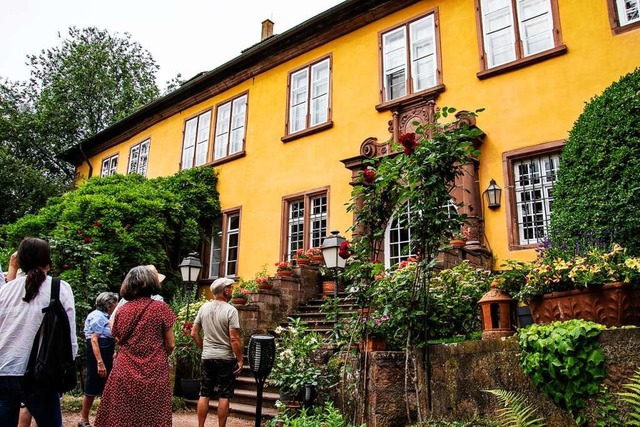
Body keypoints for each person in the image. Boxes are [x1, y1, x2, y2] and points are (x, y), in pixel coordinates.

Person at [0, 237, 78, 427]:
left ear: (20, 262)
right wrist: (69, 363)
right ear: (48, 262)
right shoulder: (59, 287)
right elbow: (69, 334)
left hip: (5, 370)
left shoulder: (5, 290)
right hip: (41, 373)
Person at [94, 266, 176, 427]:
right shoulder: (161, 308)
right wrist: (157, 354)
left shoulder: (122, 310)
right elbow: (171, 343)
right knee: (153, 415)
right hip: (154, 370)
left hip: (124, 369)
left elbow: (116, 336)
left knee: (123, 414)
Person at [190, 277, 244, 427]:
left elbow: (194, 333)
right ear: (225, 291)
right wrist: (240, 359)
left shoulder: (203, 308)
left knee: (204, 393)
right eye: (230, 288)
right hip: (225, 358)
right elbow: (234, 338)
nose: (232, 291)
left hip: (207, 356)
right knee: (224, 394)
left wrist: (203, 348)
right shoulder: (230, 310)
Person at [78, 291, 119, 427]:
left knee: (106, 387)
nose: (116, 306)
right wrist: (100, 363)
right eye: (115, 303)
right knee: (92, 385)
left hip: (106, 352)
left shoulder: (105, 315)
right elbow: (94, 340)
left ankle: (105, 420)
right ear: (109, 305)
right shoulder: (98, 317)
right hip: (98, 354)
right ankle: (83, 419)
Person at [108, 264, 165, 330]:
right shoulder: (158, 300)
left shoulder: (125, 300)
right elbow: (164, 325)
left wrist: (118, 339)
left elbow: (112, 321)